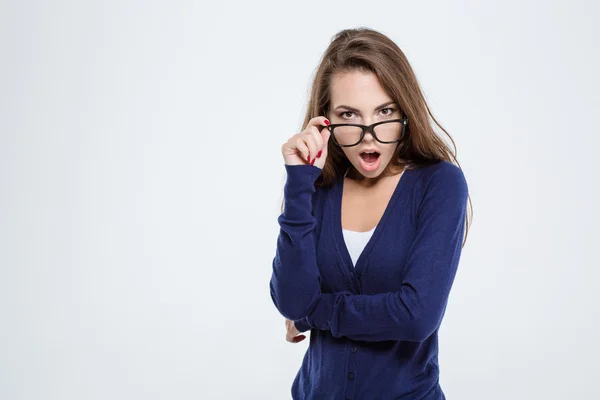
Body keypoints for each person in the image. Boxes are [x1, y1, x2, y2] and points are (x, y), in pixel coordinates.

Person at [269, 27, 473, 400]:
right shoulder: (317, 188)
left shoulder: (439, 184)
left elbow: (416, 316)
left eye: (385, 111)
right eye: (349, 114)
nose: (369, 135)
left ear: (405, 112)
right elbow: (292, 301)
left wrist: (316, 313)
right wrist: (299, 180)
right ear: (325, 121)